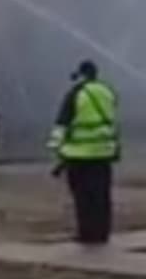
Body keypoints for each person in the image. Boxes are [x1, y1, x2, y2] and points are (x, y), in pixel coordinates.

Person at [49, 60, 120, 246]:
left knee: (83, 197)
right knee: (102, 196)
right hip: (103, 153)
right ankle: (102, 233)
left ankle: (87, 234)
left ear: (81, 75)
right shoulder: (107, 92)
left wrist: (56, 148)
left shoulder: (76, 93)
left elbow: (62, 123)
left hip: (79, 155)